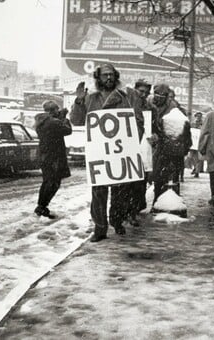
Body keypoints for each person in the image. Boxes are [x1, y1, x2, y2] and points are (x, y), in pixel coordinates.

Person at [70, 64, 144, 242]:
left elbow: (138, 123)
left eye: (111, 75)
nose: (109, 78)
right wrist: (79, 101)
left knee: (121, 192)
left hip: (120, 152)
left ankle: (117, 221)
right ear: (98, 78)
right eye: (105, 75)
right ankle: (100, 228)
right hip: (99, 155)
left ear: (116, 76)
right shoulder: (90, 98)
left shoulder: (128, 96)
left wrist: (131, 143)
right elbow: (77, 121)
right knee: (98, 193)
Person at [148, 83, 192, 205]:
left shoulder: (173, 108)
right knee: (158, 176)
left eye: (163, 95)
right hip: (156, 145)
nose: (160, 97)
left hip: (168, 147)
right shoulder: (149, 103)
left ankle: (168, 203)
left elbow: (181, 128)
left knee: (169, 177)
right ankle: (159, 200)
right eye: (157, 94)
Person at [34, 101, 72, 219]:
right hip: (54, 157)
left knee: (47, 182)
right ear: (53, 110)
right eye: (57, 109)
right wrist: (65, 118)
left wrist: (59, 118)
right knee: (53, 183)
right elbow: (68, 130)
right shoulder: (53, 122)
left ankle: (41, 206)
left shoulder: (41, 121)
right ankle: (41, 206)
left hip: (45, 156)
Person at [125, 79, 152, 226]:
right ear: (135, 89)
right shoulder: (126, 102)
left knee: (139, 185)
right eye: (141, 91)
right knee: (126, 185)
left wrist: (155, 135)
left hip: (142, 150)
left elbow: (154, 127)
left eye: (146, 93)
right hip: (127, 148)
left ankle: (132, 213)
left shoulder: (149, 107)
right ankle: (123, 213)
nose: (143, 95)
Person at [199, 104, 214, 205]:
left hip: (212, 147)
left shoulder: (210, 115)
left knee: (213, 171)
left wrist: (201, 146)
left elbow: (204, 132)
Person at [188, 111, 204, 178]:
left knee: (198, 158)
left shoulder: (203, 124)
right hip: (193, 142)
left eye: (200, 116)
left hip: (199, 142)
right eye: (197, 116)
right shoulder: (192, 123)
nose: (198, 117)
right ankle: (195, 168)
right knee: (190, 157)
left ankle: (197, 172)